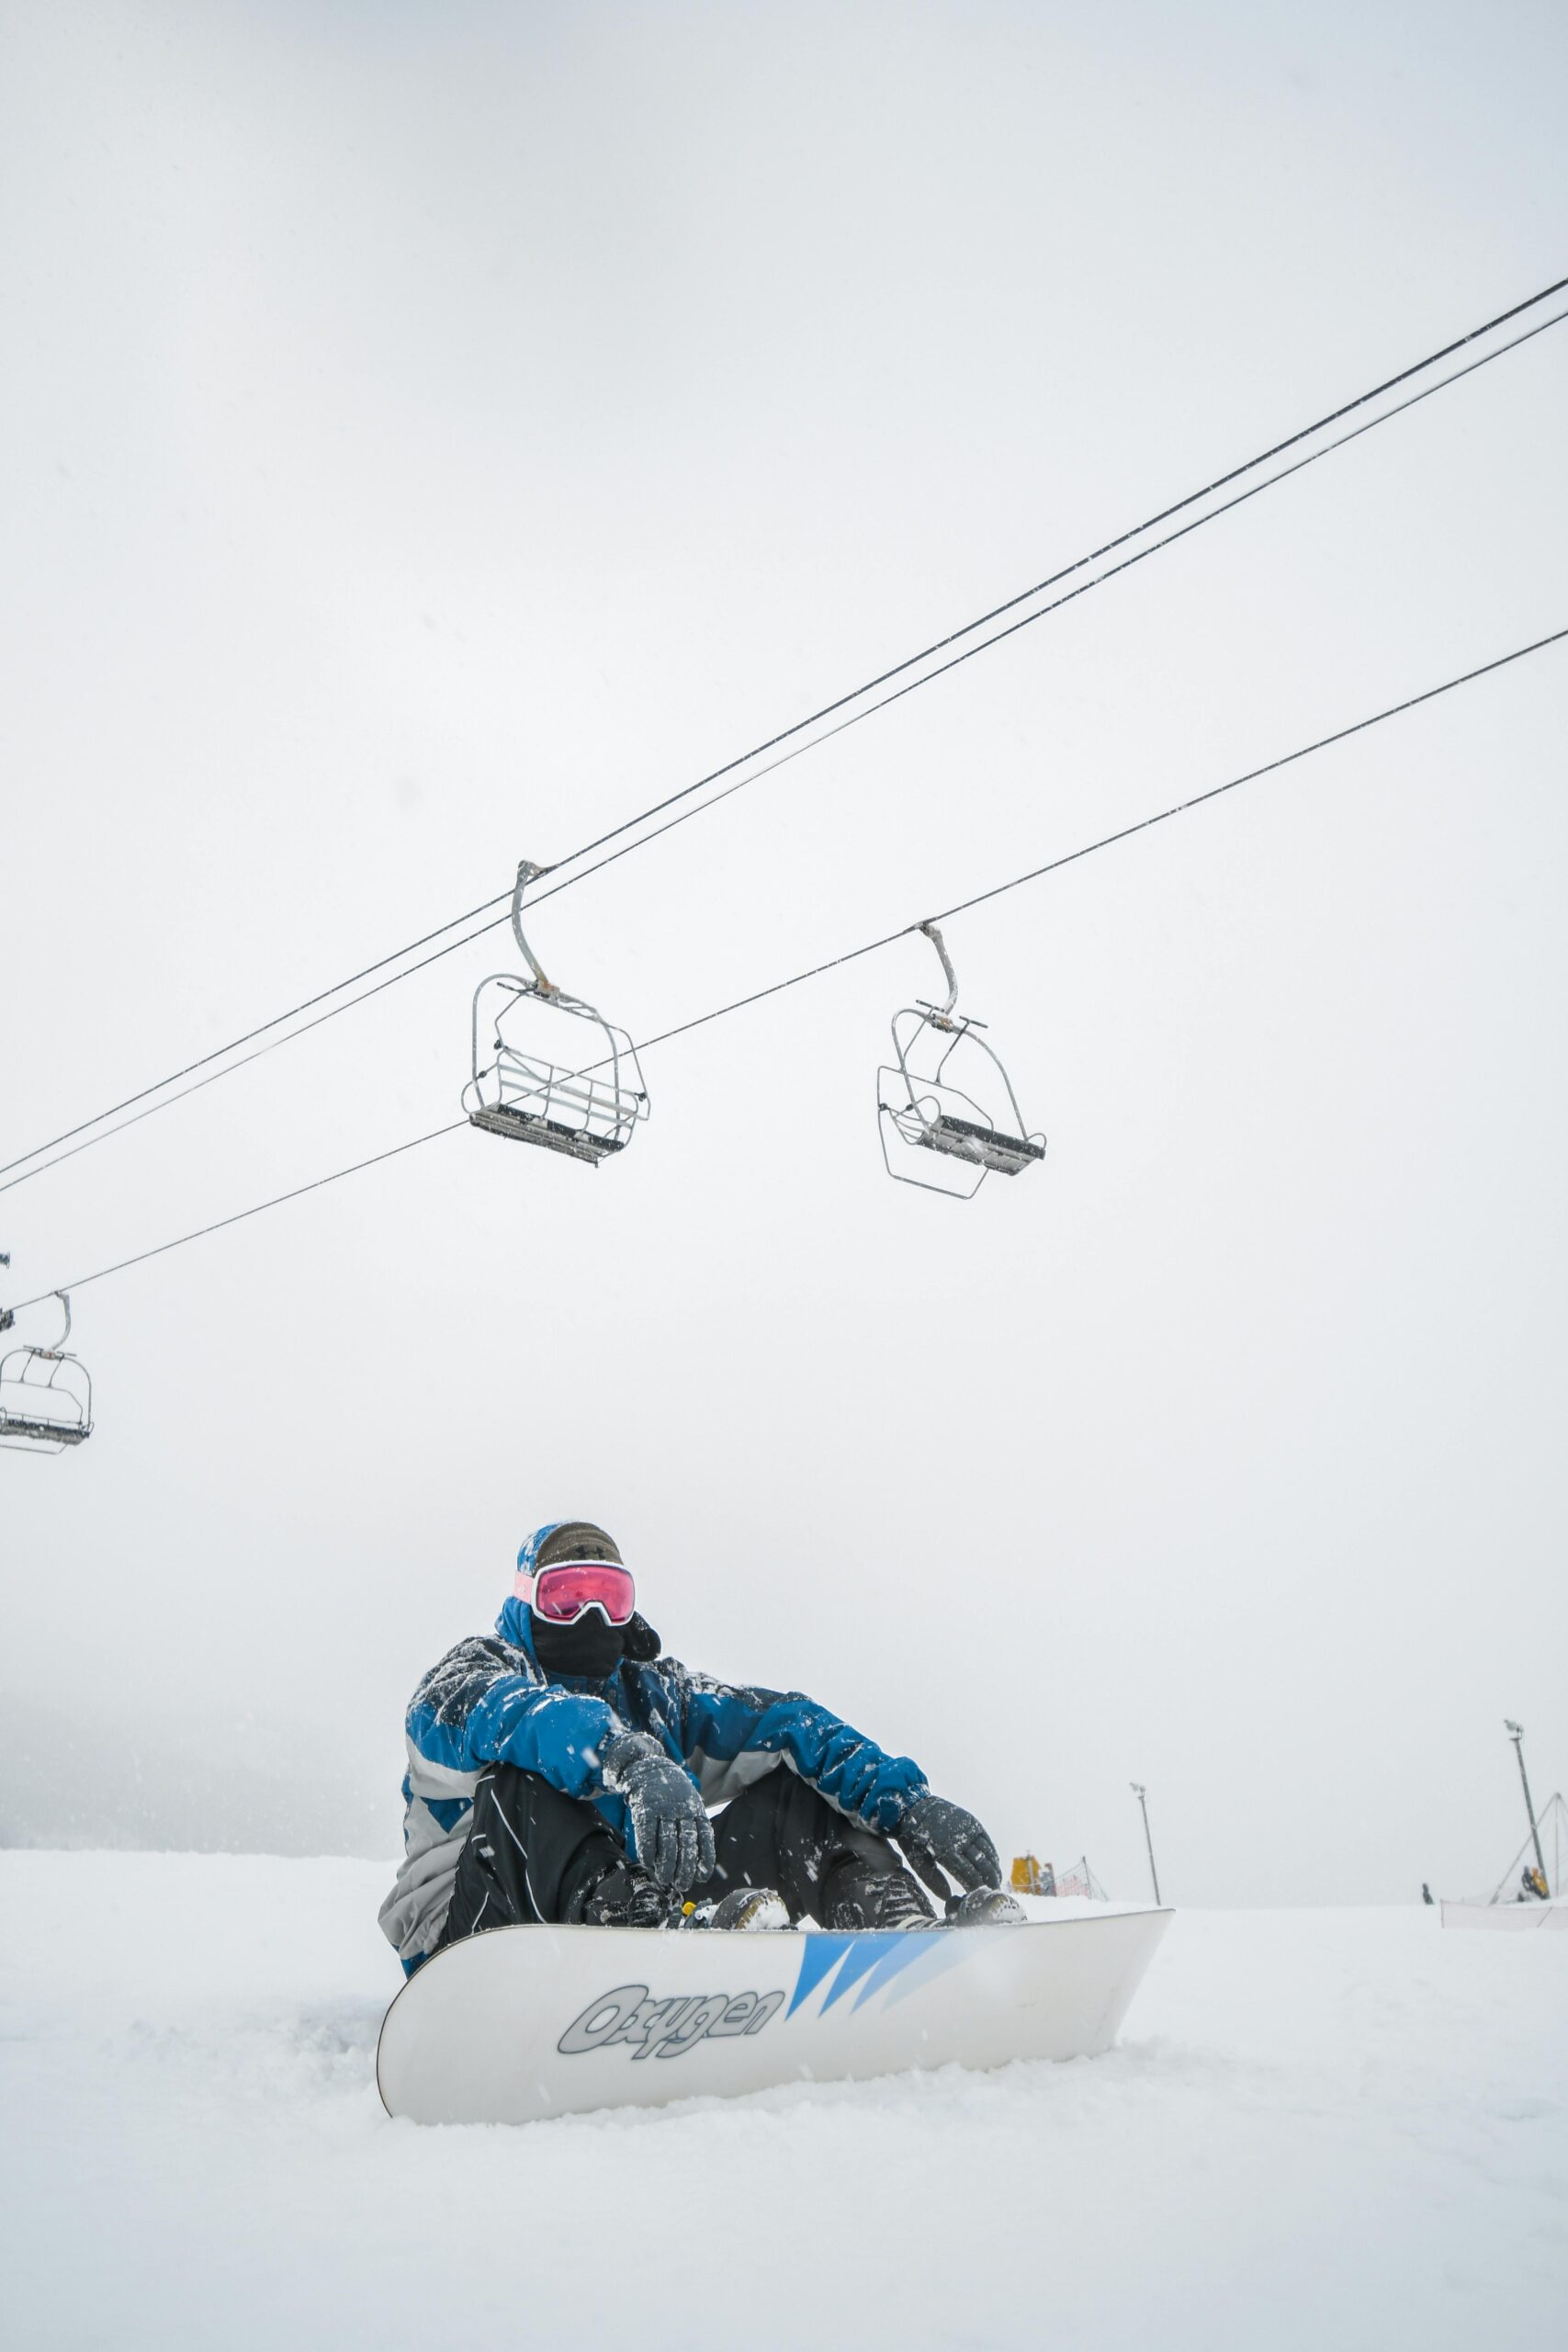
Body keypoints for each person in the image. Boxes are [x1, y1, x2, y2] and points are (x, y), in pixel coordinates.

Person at [378, 1518, 1021, 1974]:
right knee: (526, 1776)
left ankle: (894, 1930)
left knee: (792, 1787)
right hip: (470, 1940)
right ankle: (639, 1935)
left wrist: (904, 1804)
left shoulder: (655, 1696)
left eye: (610, 1597)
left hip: (642, 1917)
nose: (592, 1617)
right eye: (566, 1597)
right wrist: (627, 1758)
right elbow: (523, 1717)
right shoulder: (472, 1675)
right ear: (525, 1601)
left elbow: (786, 1723)